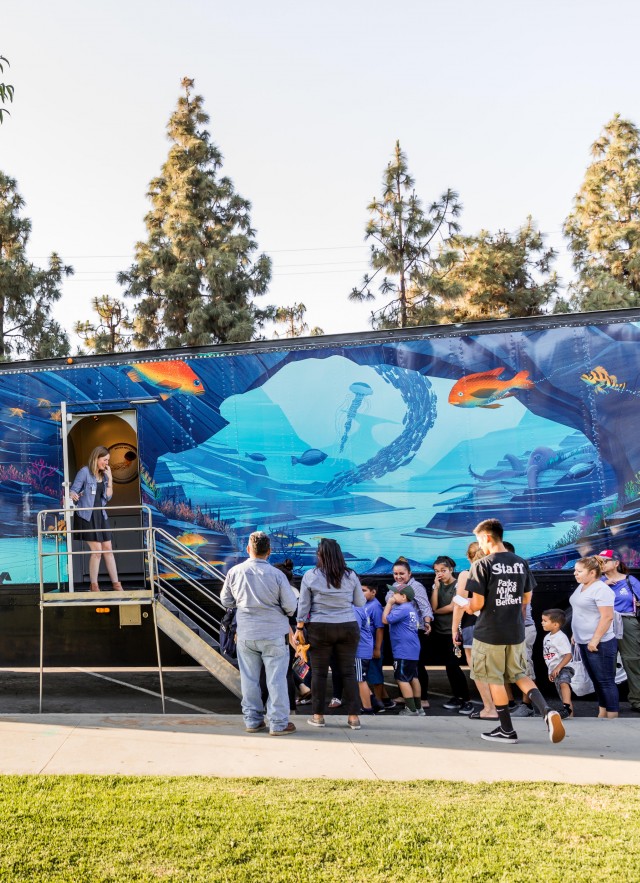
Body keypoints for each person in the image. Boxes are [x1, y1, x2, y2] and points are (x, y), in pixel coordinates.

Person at [465, 518, 565, 745]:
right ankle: (547, 711)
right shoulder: (520, 563)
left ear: (487, 537)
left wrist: (466, 606)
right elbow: (527, 598)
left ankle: (507, 730)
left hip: (489, 632)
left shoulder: (481, 565)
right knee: (520, 675)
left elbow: (477, 604)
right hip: (516, 631)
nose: (479, 545)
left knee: (494, 679)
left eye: (479, 540)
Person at [220, 531, 298, 735]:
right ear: (269, 551)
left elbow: (226, 601)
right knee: (276, 680)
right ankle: (279, 723)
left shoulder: (235, 572)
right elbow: (291, 607)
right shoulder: (278, 575)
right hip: (274, 634)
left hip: (246, 634)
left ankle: (253, 721)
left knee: (249, 679)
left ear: (248, 549)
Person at [296, 538, 365, 730]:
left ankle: (318, 716)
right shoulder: (351, 576)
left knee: (318, 673)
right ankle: (353, 718)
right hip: (348, 626)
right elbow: (360, 602)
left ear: (320, 555)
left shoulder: (310, 575)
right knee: (348, 672)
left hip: (320, 627)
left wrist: (299, 628)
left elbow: (304, 605)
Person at [451, 542, 497, 721]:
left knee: (478, 670)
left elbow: (459, 604)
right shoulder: (493, 573)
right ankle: (500, 706)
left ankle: (489, 707)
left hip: (473, 625)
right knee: (493, 669)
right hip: (494, 625)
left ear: (469, 557)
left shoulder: (466, 574)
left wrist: (454, 630)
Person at [569, 556, 618, 719]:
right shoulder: (582, 586)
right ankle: (602, 712)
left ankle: (612, 716)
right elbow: (580, 612)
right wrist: (575, 635)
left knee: (605, 681)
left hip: (599, 643)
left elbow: (607, 617)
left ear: (592, 572)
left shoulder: (601, 589)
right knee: (596, 680)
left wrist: (595, 640)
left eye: (579, 571)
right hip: (583, 641)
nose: (575, 574)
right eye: (575, 570)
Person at [70, 446, 122, 591]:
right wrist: (73, 495)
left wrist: (110, 479)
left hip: (101, 515)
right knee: (97, 550)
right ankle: (94, 585)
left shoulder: (104, 475)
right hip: (87, 516)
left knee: (108, 549)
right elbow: (73, 490)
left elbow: (108, 497)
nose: (106, 463)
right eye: (105, 460)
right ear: (96, 458)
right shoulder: (84, 472)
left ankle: (116, 584)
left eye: (108, 460)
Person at [386, 558, 433, 708]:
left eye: (402, 573)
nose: (398, 576)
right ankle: (405, 696)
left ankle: (422, 699)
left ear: (410, 573)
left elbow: (425, 607)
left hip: (413, 631)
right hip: (397, 632)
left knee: (416, 667)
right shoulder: (394, 586)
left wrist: (427, 623)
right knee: (403, 668)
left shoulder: (416, 586)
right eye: (395, 573)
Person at [599, 549, 640, 714]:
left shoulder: (630, 580)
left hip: (626, 621)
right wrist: (602, 585)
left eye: (605, 561)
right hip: (604, 621)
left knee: (632, 660)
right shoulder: (597, 581)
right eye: (600, 561)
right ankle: (607, 704)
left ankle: (637, 700)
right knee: (604, 662)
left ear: (616, 563)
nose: (602, 564)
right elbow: (582, 599)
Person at [431, 556, 472, 713]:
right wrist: (435, 587)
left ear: (451, 570)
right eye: (436, 571)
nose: (440, 574)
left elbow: (452, 607)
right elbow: (433, 605)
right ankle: (457, 697)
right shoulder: (438, 586)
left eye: (443, 570)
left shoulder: (458, 584)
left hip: (454, 632)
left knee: (454, 666)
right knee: (449, 667)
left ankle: (466, 700)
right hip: (440, 632)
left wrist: (435, 612)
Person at [383, 584, 424, 716]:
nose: (392, 596)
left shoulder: (402, 609)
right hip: (412, 648)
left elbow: (385, 620)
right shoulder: (411, 608)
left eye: (395, 593)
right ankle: (418, 707)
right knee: (413, 677)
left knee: (402, 678)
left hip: (403, 649)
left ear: (403, 596)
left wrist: (389, 604)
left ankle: (411, 709)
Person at [362, 584, 396, 711]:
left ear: (373, 592)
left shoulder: (375, 606)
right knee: (371, 674)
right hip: (365, 647)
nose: (361, 593)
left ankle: (378, 703)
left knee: (375, 676)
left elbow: (380, 629)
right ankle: (386, 700)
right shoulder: (364, 604)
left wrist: (377, 648)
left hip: (373, 648)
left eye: (364, 591)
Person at [541, 608, 574, 718]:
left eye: (545, 621)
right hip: (554, 669)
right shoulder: (547, 637)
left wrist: (558, 668)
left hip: (564, 667)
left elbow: (568, 654)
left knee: (563, 682)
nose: (542, 623)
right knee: (563, 694)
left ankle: (566, 708)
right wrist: (551, 671)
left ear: (555, 624)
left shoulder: (560, 637)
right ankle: (569, 713)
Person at [353, 600, 375, 714]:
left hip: (360, 649)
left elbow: (354, 630)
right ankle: (374, 704)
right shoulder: (361, 607)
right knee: (360, 679)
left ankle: (368, 708)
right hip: (364, 647)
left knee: (360, 680)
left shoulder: (354, 609)